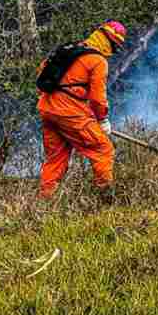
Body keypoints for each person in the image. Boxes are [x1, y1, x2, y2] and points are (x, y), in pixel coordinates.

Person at [37, 20, 127, 199]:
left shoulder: (71, 48)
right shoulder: (98, 61)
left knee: (56, 158)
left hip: (47, 108)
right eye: (115, 47)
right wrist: (102, 120)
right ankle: (106, 198)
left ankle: (45, 199)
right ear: (111, 43)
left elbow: (42, 71)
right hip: (69, 113)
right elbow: (97, 98)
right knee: (103, 149)